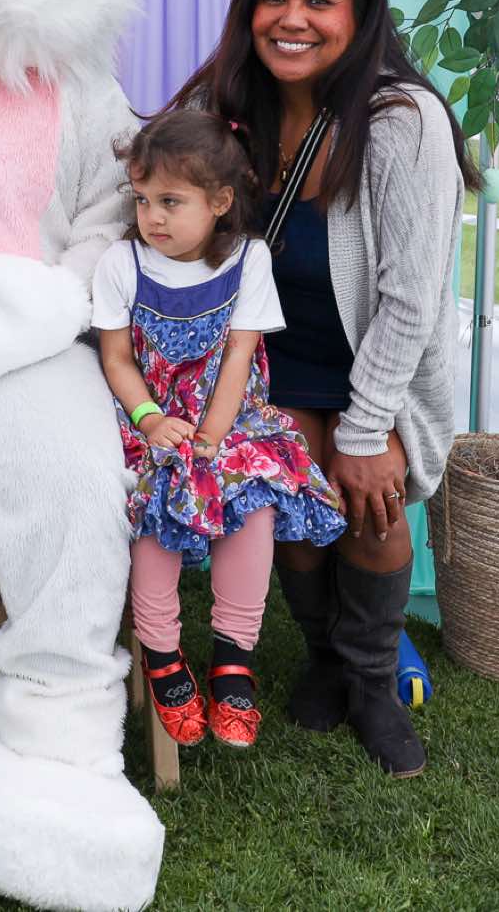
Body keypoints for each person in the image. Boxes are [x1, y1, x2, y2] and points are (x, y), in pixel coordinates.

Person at [168, 0, 474, 779]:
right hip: (271, 365)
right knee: (292, 508)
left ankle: (373, 683)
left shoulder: (403, 121)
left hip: (378, 367)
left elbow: (411, 301)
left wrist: (366, 429)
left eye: (317, 1)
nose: (291, 19)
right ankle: (327, 657)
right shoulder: (225, 107)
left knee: (367, 502)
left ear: (360, 12)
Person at [94, 110, 347, 751]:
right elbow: (117, 358)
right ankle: (161, 652)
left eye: (170, 202)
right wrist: (154, 421)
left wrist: (212, 438)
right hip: (149, 419)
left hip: (230, 418)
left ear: (220, 202)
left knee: (252, 500)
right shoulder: (121, 263)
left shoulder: (248, 259)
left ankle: (234, 657)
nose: (152, 217)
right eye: (143, 199)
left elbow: (239, 354)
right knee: (158, 506)